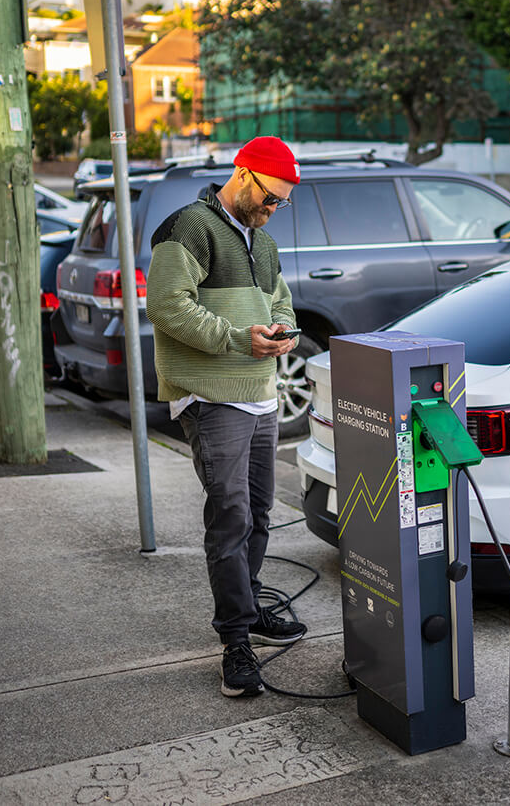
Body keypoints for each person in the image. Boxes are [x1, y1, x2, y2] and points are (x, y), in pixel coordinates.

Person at [145, 135, 306, 698]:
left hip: (260, 395)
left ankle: (250, 603)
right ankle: (234, 641)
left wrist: (280, 330)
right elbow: (166, 306)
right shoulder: (188, 225)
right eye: (269, 197)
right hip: (213, 398)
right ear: (241, 173)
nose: (272, 209)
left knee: (260, 513)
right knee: (231, 516)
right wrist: (239, 339)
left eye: (281, 202)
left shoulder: (261, 242)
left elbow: (281, 299)